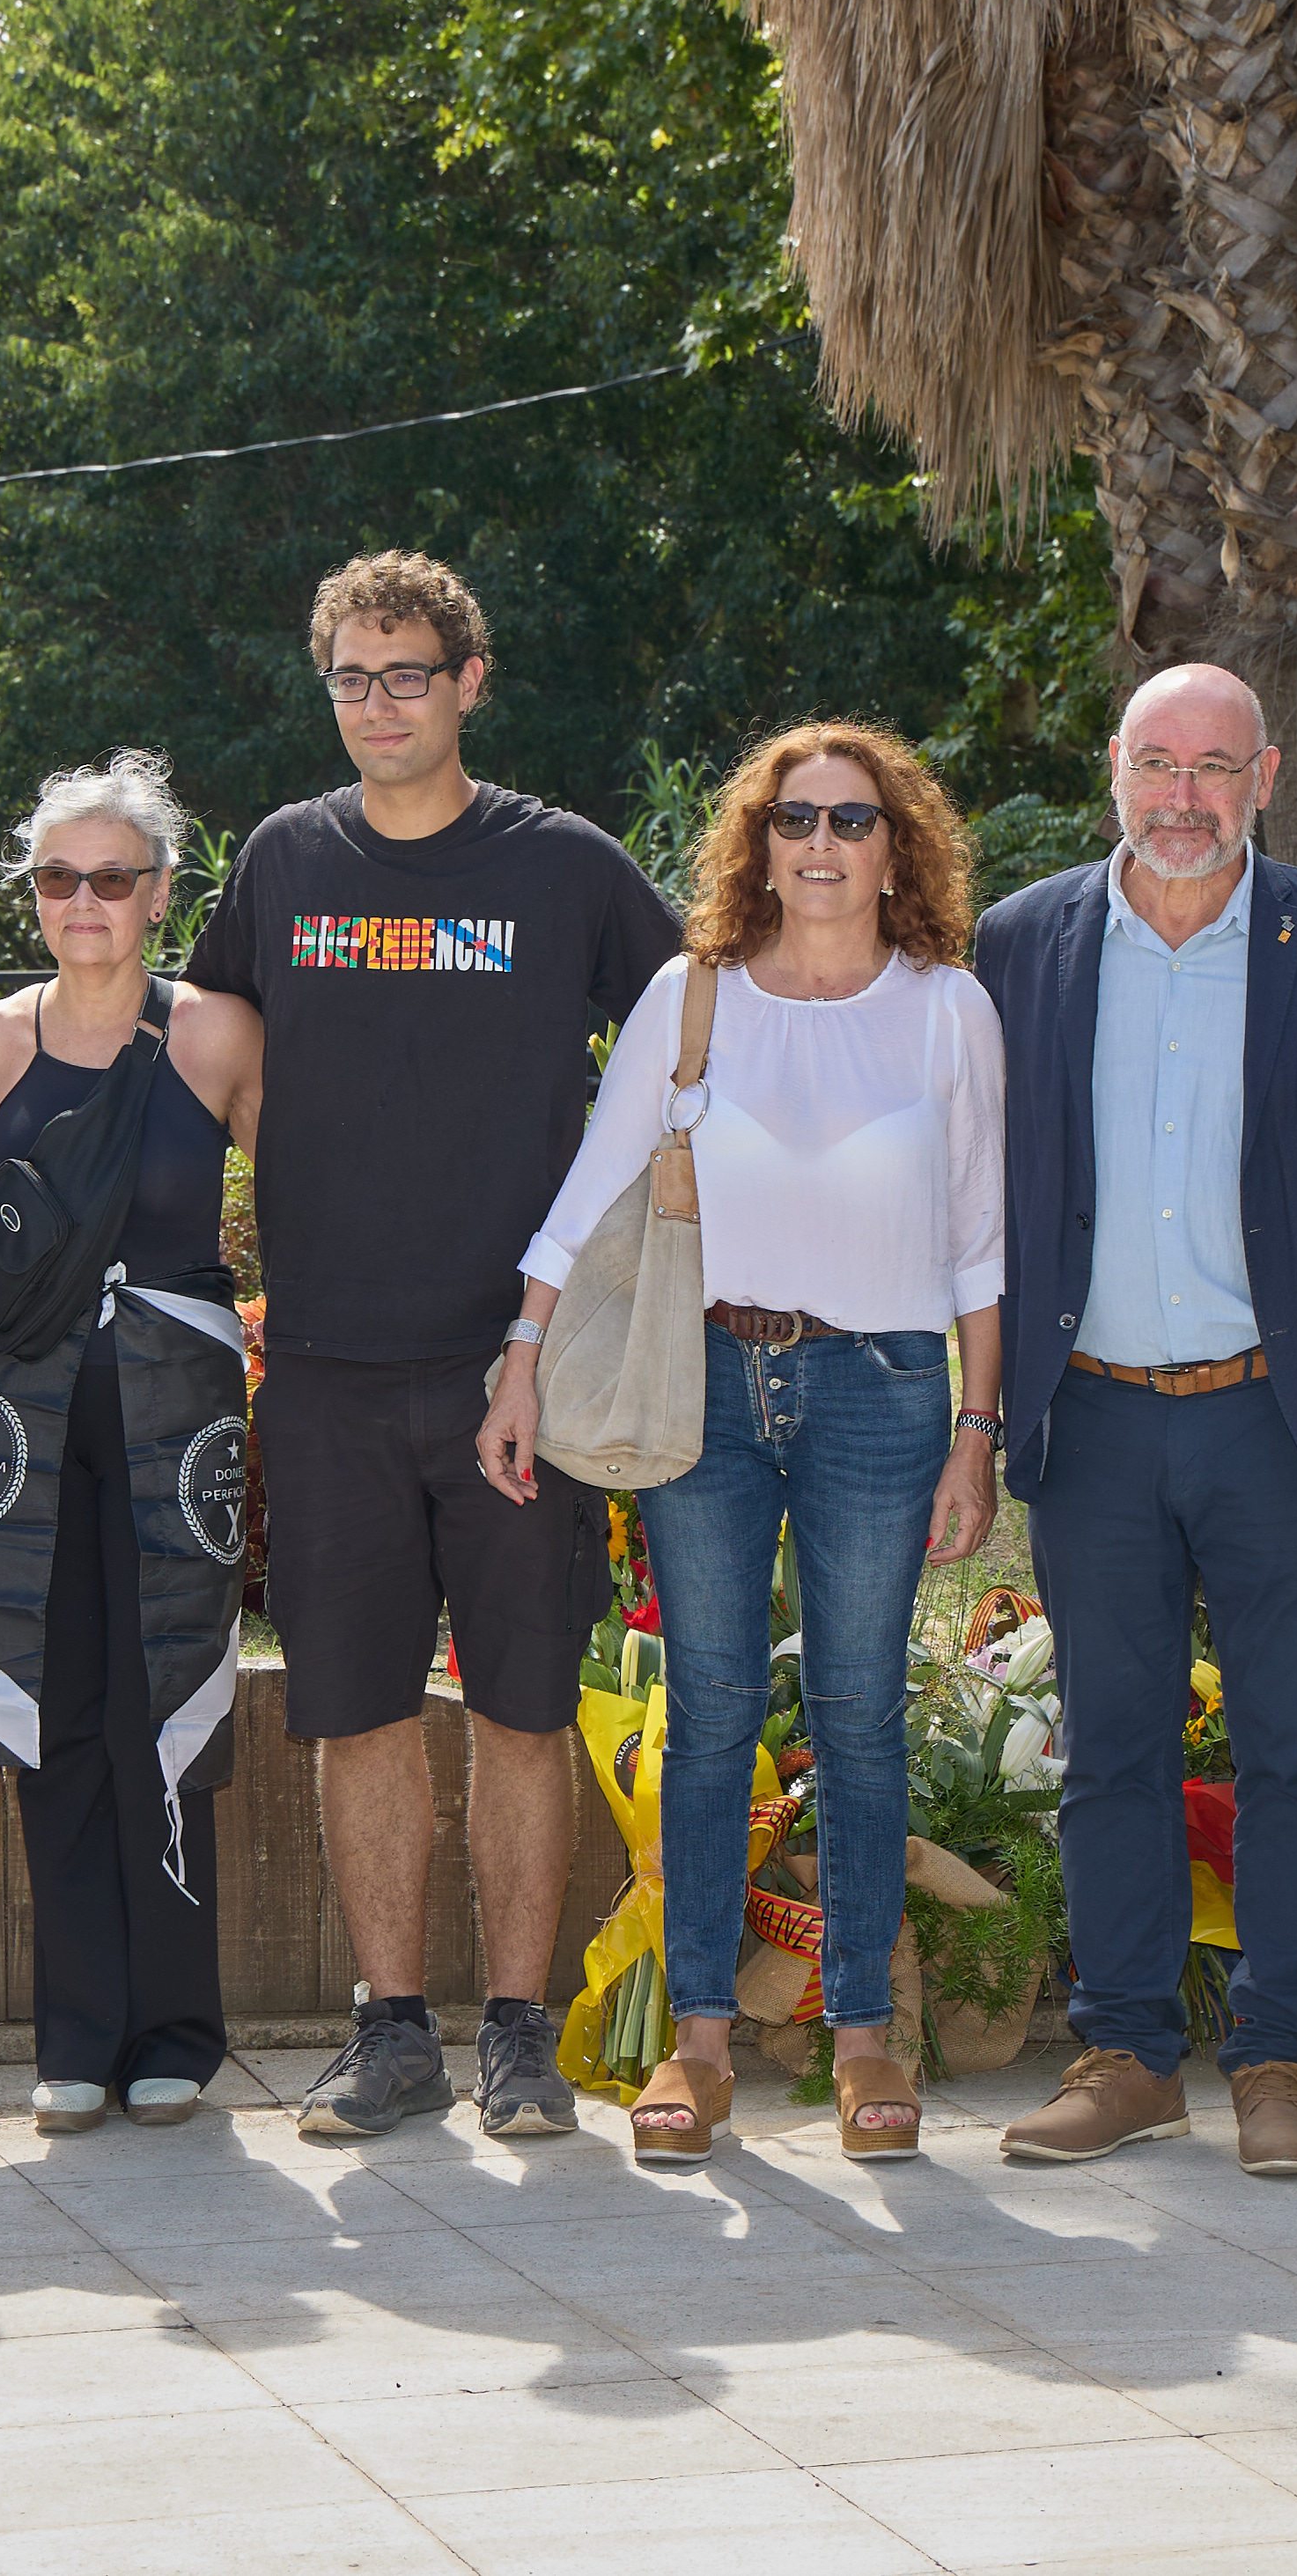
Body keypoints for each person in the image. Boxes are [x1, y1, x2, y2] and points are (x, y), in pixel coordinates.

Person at [183, 549, 682, 2140]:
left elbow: (694, 1034)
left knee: (524, 1709)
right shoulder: (281, 860)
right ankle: (390, 2027)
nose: (378, 704)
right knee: (353, 1709)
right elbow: (217, 1036)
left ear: (468, 683)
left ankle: (519, 2036)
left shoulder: (564, 866)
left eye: (408, 673)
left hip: (514, 1370)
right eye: (350, 675)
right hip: (326, 1362)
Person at [478, 722, 1006, 2162]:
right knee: (708, 1714)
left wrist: (975, 1429)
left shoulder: (948, 1008)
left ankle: (861, 2039)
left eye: (849, 820)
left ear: (896, 844)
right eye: (793, 820)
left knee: (857, 1713)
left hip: (886, 1390)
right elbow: (592, 1185)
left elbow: (978, 1240)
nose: (819, 846)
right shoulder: (688, 994)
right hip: (702, 1383)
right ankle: (696, 2042)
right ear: (756, 842)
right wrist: (519, 1356)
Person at [973, 662, 1297, 2177]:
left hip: (1278, 1417)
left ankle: (1281, 2058)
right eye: (1156, 763)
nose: (1182, 795)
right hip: (1091, 1415)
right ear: (1112, 767)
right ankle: (1124, 2053)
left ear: (1265, 775)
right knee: (1111, 1749)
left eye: (1213, 766)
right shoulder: (1020, 943)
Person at [0, 753, 264, 2134]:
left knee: (164, 1707)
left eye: (111, 879)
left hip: (177, 1413)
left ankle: (177, 2027)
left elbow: (302, 1211)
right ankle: (73, 2031)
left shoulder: (218, 1036)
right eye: (58, 877)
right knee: (56, 1705)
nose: (83, 901)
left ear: (158, 893)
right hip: (25, 1412)